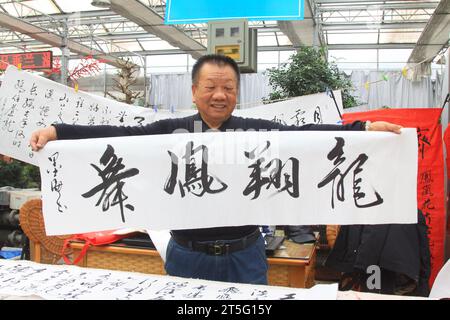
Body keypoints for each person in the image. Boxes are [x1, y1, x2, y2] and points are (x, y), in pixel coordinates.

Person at [30, 54, 402, 285]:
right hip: (187, 254)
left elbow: (302, 133)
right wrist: (59, 132)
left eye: (228, 87)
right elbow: (121, 134)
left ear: (237, 93)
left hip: (245, 254)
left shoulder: (255, 132)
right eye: (210, 87)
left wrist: (362, 129)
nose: (219, 94)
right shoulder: (168, 133)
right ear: (194, 91)